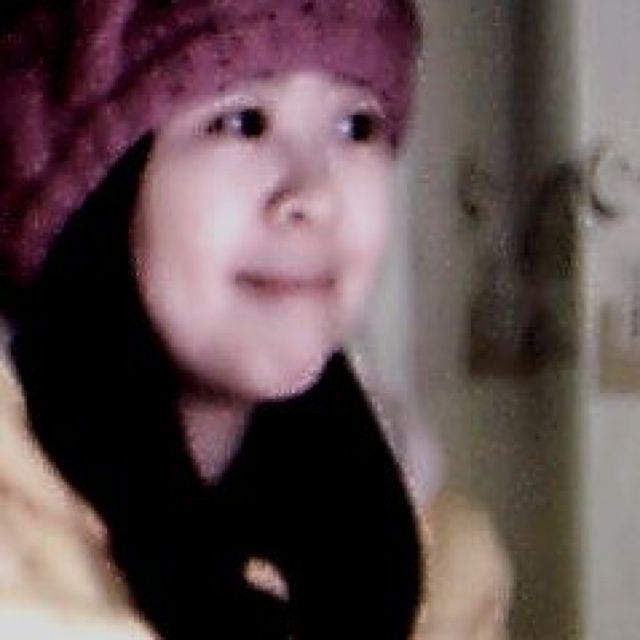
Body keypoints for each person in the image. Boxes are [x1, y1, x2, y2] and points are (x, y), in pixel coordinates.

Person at [0, 1, 511, 638]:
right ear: (97, 182)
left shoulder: (441, 573)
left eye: (356, 126)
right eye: (242, 122)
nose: (313, 196)